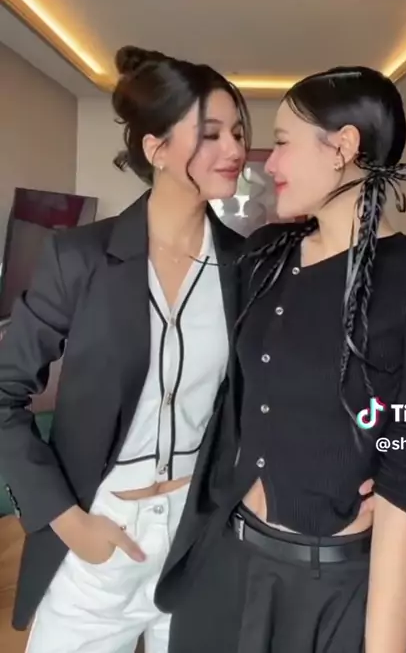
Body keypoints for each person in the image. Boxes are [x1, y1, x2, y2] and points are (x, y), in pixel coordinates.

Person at [161, 66, 406, 653]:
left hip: (327, 590)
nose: (270, 164)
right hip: (222, 564)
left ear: (344, 146)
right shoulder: (264, 255)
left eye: (283, 142)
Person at [0, 45, 251, 653]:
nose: (235, 149)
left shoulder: (247, 267)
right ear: (156, 149)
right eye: (211, 134)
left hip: (197, 545)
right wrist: (69, 522)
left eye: (239, 133)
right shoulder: (79, 258)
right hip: (98, 538)